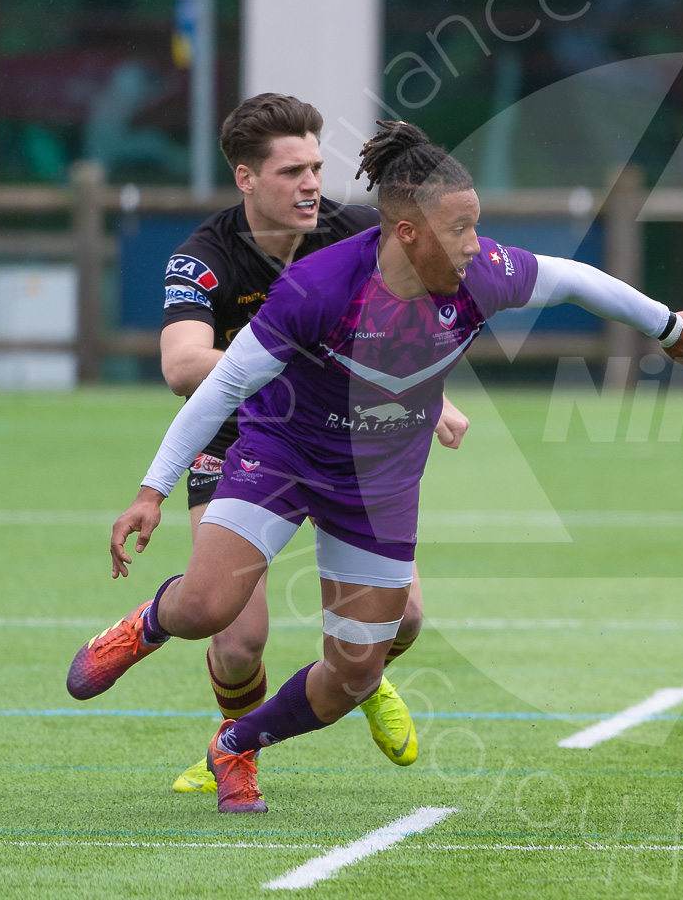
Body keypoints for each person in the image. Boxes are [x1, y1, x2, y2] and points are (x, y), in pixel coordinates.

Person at [67, 121, 683, 812]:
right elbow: (222, 387)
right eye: (461, 229)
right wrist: (152, 491)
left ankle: (237, 744)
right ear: (409, 233)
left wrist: (667, 326)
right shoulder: (318, 289)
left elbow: (572, 279)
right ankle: (143, 626)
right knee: (211, 608)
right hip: (283, 455)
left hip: (377, 485)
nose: (478, 245)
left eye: (477, 225)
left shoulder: (482, 278)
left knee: (354, 674)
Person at [152, 93, 466, 793]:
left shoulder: (355, 233)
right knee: (234, 639)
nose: (312, 184)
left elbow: (423, 320)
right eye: (292, 170)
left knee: (406, 617)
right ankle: (236, 754)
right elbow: (180, 367)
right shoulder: (203, 257)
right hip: (243, 440)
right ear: (245, 178)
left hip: (349, 442)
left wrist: (427, 390)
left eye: (317, 167)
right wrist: (304, 352)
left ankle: (359, 677)